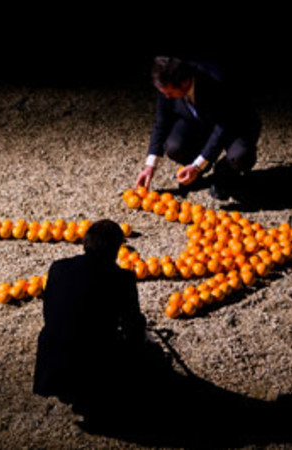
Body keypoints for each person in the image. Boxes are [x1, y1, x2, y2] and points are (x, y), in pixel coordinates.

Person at [33, 219, 147, 418]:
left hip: (52, 361)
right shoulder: (122, 279)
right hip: (92, 367)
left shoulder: (59, 268)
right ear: (116, 250)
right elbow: (134, 329)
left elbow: (49, 311)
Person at [135, 56, 261, 200]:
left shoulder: (217, 81)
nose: (167, 97)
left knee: (240, 156)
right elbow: (161, 123)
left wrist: (197, 165)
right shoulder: (167, 82)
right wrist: (150, 167)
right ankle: (197, 172)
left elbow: (221, 129)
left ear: (184, 83)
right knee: (174, 145)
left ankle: (224, 173)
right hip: (199, 121)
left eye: (170, 93)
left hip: (235, 124)